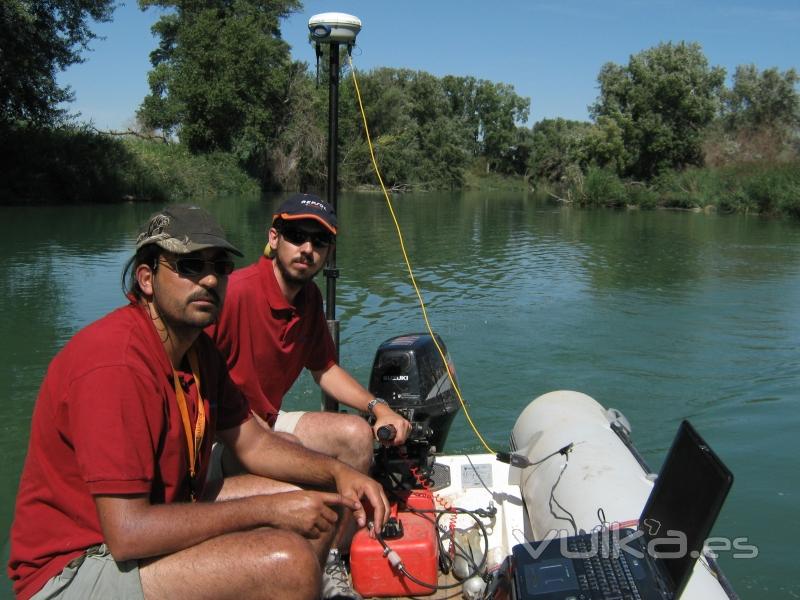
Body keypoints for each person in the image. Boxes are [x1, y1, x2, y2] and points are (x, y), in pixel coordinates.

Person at [8, 205, 388, 600]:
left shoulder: (197, 352)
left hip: (164, 512)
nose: (209, 279)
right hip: (77, 566)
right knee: (286, 562)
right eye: (190, 266)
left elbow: (253, 443)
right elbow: (127, 533)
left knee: (318, 511)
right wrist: (270, 510)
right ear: (147, 278)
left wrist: (337, 473)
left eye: (219, 266)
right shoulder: (115, 364)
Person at [208, 194, 412, 597]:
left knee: (356, 434)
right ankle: (293, 568)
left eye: (319, 242)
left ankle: (330, 560)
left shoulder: (309, 299)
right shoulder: (235, 295)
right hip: (221, 436)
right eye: (297, 236)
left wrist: (379, 407)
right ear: (273, 237)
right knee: (290, 452)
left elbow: (325, 368)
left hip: (264, 421)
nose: (308, 249)